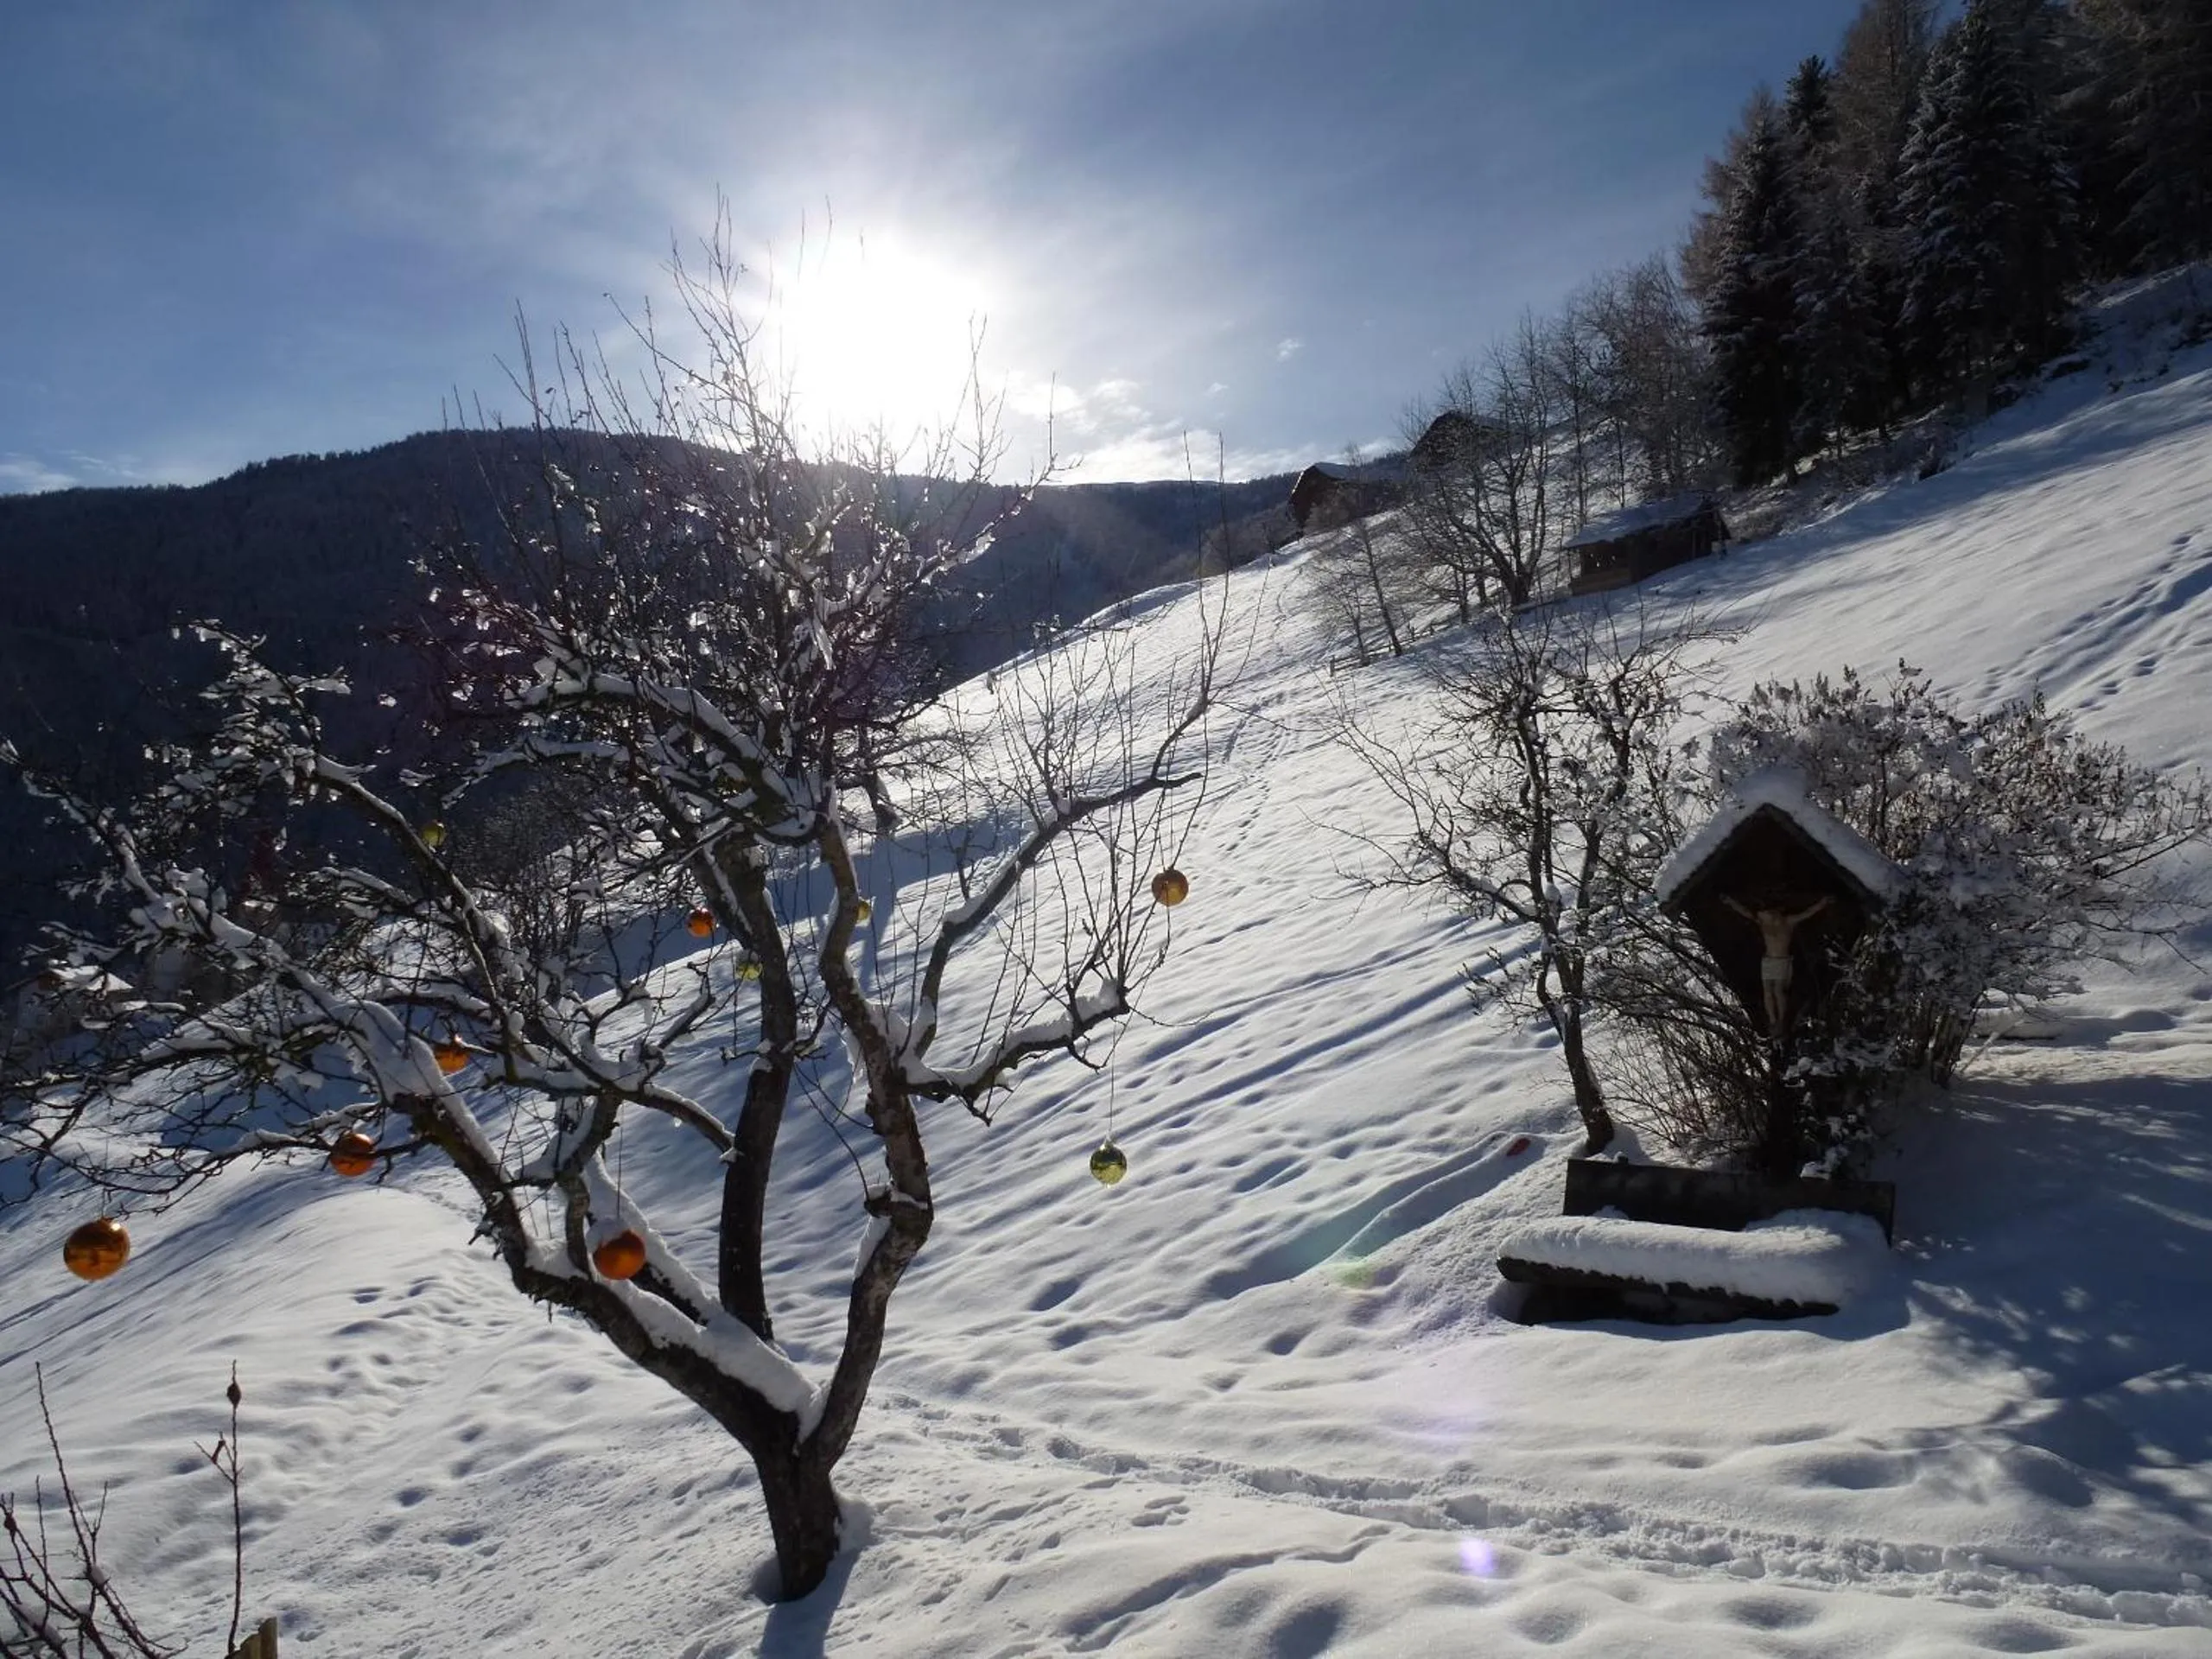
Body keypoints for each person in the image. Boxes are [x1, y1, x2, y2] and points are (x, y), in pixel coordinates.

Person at [1721, 893, 1831, 1033]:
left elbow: (1808, 913)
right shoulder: (1763, 920)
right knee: (1768, 992)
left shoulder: (1788, 921)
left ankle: (1781, 1020)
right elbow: (1745, 912)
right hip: (1768, 959)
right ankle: (1773, 1020)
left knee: (1778, 991)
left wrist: (1823, 902)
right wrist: (1731, 901)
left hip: (1782, 959)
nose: (1769, 914)